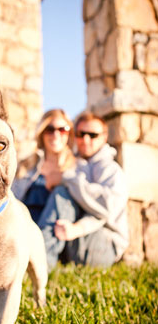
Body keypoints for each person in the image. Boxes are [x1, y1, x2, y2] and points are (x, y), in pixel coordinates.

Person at [38, 111, 129, 270]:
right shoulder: (75, 165)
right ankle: (38, 258)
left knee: (62, 193)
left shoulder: (111, 170)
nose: (86, 140)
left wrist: (78, 228)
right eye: (81, 134)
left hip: (105, 242)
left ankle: (40, 263)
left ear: (104, 138)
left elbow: (104, 208)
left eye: (92, 135)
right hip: (74, 235)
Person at [12, 109, 79, 224]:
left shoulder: (78, 167)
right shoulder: (26, 166)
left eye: (62, 130)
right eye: (50, 130)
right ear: (42, 133)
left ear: (70, 133)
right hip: (25, 230)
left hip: (60, 234)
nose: (56, 135)